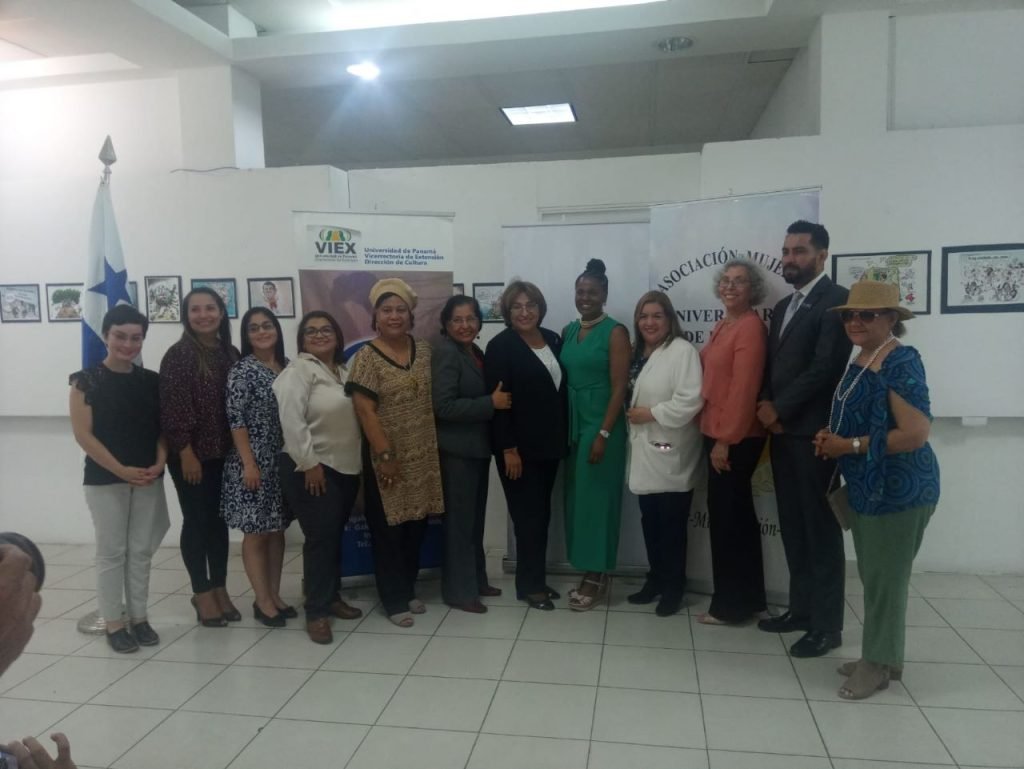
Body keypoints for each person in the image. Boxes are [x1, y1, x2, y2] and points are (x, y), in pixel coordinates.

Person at [813, 280, 939, 699]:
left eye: (867, 314)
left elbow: (915, 434)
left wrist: (847, 445)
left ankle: (875, 663)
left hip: (898, 490)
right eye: (850, 314)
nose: (856, 321)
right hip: (868, 485)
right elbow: (863, 415)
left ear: (890, 320)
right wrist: (834, 436)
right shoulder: (865, 357)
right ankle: (886, 657)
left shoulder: (900, 362)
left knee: (885, 579)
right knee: (876, 576)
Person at [756, 221, 852, 658]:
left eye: (799, 251)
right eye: (786, 250)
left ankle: (827, 626)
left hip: (815, 435)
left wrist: (781, 408)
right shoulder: (781, 306)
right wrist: (765, 405)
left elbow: (825, 366)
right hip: (782, 434)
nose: (789, 258)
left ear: (822, 255)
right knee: (793, 528)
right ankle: (800, 610)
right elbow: (772, 366)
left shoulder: (837, 301)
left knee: (821, 531)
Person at [69, 304, 169, 653]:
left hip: (147, 477)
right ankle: (114, 622)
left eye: (136, 338)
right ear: (107, 336)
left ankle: (139, 618)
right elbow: (84, 435)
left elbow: (161, 430)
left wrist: (160, 462)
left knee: (141, 551)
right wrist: (120, 470)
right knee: (112, 552)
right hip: (105, 479)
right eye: (120, 337)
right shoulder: (86, 380)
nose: (128, 344)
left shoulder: (151, 381)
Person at [346, 279, 444, 628]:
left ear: (410, 314)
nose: (394, 316)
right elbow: (365, 411)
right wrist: (386, 455)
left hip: (424, 457)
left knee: (416, 525)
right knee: (389, 530)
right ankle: (392, 598)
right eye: (387, 310)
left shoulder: (425, 351)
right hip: (386, 458)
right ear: (375, 315)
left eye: (400, 309)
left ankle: (408, 586)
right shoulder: (366, 358)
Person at [275, 311, 364, 644]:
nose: (320, 334)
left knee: (332, 537)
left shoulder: (343, 371)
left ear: (338, 335)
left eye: (327, 329)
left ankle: (331, 596)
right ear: (302, 339)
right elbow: (291, 419)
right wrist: (309, 463)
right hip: (312, 468)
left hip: (345, 467)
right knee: (319, 540)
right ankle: (316, 612)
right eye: (311, 331)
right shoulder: (298, 370)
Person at [484, 280, 568, 611]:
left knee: (541, 515)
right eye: (517, 306)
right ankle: (529, 586)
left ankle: (536, 578)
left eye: (530, 305)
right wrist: (507, 448)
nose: (524, 312)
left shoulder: (552, 339)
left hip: (549, 446)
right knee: (527, 518)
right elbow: (499, 404)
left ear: (540, 308)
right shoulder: (501, 346)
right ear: (507, 311)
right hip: (517, 451)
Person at [159, 287, 240, 627]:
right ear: (187, 316)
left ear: (222, 313)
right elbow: (173, 409)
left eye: (210, 308)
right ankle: (201, 592)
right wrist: (185, 452)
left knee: (218, 522)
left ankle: (220, 586)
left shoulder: (230, 352)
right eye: (196, 310)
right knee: (196, 521)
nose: (203, 314)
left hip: (226, 454)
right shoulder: (178, 355)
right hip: (191, 456)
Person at [698, 261, 771, 625]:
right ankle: (751, 599)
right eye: (726, 281)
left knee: (728, 522)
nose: (730, 287)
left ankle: (730, 607)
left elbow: (744, 390)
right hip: (717, 429)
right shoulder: (723, 324)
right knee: (737, 518)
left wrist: (725, 441)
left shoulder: (750, 328)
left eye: (739, 282)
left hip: (735, 436)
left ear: (752, 289)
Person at [625, 291, 704, 617]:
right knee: (650, 521)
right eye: (644, 316)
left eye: (657, 315)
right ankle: (655, 580)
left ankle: (673, 587)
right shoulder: (637, 353)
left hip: (668, 446)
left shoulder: (682, 351)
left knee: (671, 525)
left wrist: (652, 413)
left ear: (669, 319)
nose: (649, 322)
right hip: (644, 449)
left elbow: (691, 400)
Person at [432, 295, 510, 613]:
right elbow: (442, 406)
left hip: (476, 450)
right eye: (457, 320)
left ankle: (476, 580)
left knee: (473, 524)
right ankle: (459, 591)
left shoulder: (473, 351)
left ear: (479, 322)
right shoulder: (446, 354)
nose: (465, 325)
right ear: (446, 325)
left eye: (470, 319)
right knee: (460, 526)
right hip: (456, 452)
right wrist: (489, 404)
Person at [560, 259, 630, 610]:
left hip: (601, 424)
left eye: (592, 292)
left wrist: (604, 431)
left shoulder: (616, 332)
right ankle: (587, 566)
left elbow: (620, 388)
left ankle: (598, 575)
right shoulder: (570, 330)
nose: (585, 297)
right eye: (580, 291)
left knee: (598, 501)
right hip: (573, 424)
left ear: (604, 295)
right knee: (578, 501)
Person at [221, 308, 292, 628]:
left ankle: (275, 595)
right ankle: (262, 601)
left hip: (283, 460)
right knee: (256, 533)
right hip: (253, 462)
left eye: (267, 326)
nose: (262, 332)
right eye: (254, 328)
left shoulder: (288, 367)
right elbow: (236, 421)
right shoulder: (242, 370)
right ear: (246, 336)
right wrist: (249, 463)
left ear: (276, 330)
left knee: (277, 531)